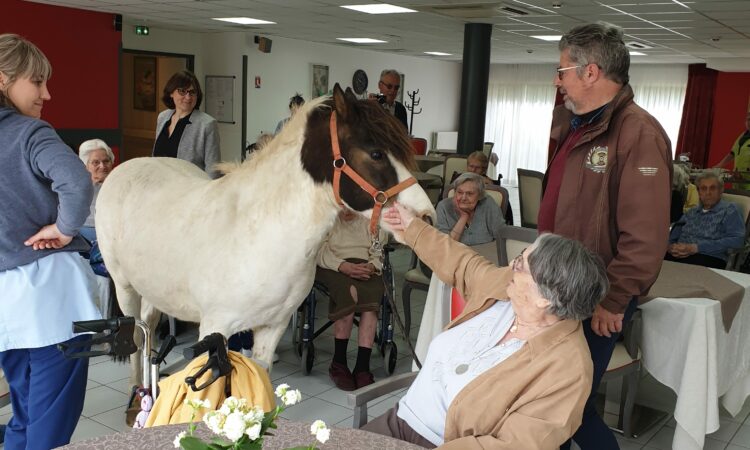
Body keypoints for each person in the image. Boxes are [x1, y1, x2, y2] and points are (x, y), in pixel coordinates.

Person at [370, 203, 607, 448]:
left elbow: (514, 445)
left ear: (544, 298)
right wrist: (412, 228)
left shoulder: (568, 370)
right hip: (400, 420)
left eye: (520, 265)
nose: (511, 266)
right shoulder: (504, 289)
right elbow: (462, 263)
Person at [537, 23, 672, 449]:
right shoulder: (576, 121)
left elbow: (645, 235)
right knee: (555, 401)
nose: (557, 81)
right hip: (557, 284)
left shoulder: (638, 133)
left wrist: (614, 299)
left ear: (590, 72)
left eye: (562, 71)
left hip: (595, 294)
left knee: (568, 406)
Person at [0, 33, 102, 449]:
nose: (46, 93)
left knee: (23, 415)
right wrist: (63, 229)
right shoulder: (29, 133)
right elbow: (77, 179)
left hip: (7, 305)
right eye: (36, 81)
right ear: (4, 79)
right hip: (52, 303)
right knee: (49, 427)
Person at [315, 209, 387, 391]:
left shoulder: (372, 220)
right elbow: (319, 250)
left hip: (364, 266)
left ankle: (362, 367)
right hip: (333, 265)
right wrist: (343, 266)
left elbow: (378, 250)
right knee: (350, 293)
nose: (346, 210)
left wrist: (372, 266)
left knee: (371, 299)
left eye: (351, 206)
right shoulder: (326, 218)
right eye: (343, 205)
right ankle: (338, 363)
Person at [667, 172, 745, 269]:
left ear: (721, 190)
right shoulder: (692, 212)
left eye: (712, 188)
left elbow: (737, 240)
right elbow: (673, 234)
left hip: (709, 257)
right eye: (703, 188)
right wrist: (671, 248)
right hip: (679, 255)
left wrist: (696, 248)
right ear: (698, 192)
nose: (708, 193)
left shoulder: (730, 210)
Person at [153, 69, 220, 176]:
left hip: (190, 189)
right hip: (160, 186)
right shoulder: (163, 117)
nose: (188, 97)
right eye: (182, 91)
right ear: (171, 93)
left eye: (192, 92)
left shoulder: (207, 124)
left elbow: (213, 169)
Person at [436, 172, 504, 245]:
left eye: (470, 194)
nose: (464, 198)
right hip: (454, 254)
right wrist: (464, 216)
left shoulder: (488, 204)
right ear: (454, 192)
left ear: (480, 195)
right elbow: (445, 245)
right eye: (459, 192)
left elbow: (502, 236)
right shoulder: (443, 207)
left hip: (485, 253)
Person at [78, 138, 114, 243]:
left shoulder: (119, 185)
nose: (102, 166)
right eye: (95, 162)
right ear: (85, 165)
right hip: (85, 236)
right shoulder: (78, 187)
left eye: (106, 161)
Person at [714, 111, 750, 188]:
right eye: (748, 119)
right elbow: (732, 154)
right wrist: (718, 167)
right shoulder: (742, 136)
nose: (749, 122)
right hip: (737, 178)